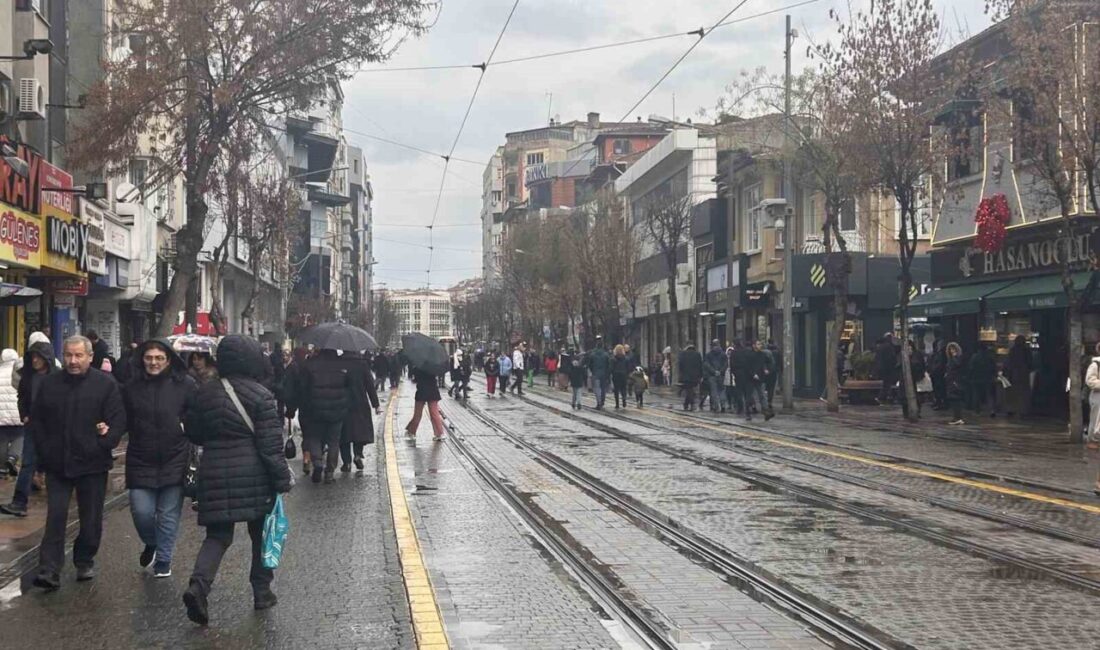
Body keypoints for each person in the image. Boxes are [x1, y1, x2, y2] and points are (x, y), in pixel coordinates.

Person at [182, 335, 293, 625]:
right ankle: (261, 592)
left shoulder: (203, 393)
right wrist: (282, 479)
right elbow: (271, 446)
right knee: (261, 535)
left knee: (217, 536)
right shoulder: (261, 396)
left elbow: (193, 432)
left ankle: (198, 587)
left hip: (214, 471)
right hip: (254, 474)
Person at [29, 335, 127, 590]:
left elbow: (118, 422)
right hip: (58, 464)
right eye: (69, 355)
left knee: (90, 518)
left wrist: (104, 443)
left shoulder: (105, 384)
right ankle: (49, 570)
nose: (73, 361)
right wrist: (44, 453)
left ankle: (84, 559)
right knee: (56, 517)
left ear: (90, 357)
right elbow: (38, 421)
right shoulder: (50, 384)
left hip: (92, 464)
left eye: (79, 355)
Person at [123, 339, 198, 578]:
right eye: (149, 358)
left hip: (175, 457)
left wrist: (188, 428)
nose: (153, 363)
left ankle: (163, 559)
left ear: (168, 360)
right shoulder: (131, 386)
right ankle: (152, 542)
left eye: (159, 358)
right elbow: (121, 417)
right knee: (141, 512)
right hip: (140, 457)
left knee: (168, 513)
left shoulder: (185, 385)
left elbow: (197, 414)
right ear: (142, 359)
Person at [1, 340, 56, 517]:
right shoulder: (28, 376)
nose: (34, 360)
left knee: (54, 463)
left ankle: (58, 499)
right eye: (32, 356)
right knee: (27, 463)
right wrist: (24, 414)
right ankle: (19, 502)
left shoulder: (57, 377)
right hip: (33, 425)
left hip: (53, 427)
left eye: (38, 357)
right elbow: (21, 396)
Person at [295, 348, 354, 484]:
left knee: (314, 437)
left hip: (315, 409)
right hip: (337, 411)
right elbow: (350, 387)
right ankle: (330, 472)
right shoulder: (343, 366)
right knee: (334, 441)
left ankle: (317, 463)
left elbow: (303, 388)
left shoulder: (310, 365)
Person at [338, 351, 382, 473]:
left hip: (342, 402)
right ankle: (358, 454)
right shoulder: (362, 364)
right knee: (359, 431)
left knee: (344, 433)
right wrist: (376, 405)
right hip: (360, 402)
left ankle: (346, 462)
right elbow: (370, 386)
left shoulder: (339, 363)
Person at [733, 341, 773, 421]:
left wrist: (766, 369)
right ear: (754, 345)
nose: (760, 346)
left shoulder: (762, 354)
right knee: (749, 396)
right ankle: (748, 413)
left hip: (760, 378)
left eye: (760, 344)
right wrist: (753, 374)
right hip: (749, 379)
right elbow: (747, 366)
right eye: (758, 344)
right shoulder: (749, 355)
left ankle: (766, 412)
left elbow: (768, 363)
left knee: (762, 395)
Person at [406, 367, 446, 441]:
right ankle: (439, 433)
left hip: (421, 392)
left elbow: (415, 378)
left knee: (417, 414)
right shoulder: (433, 366)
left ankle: (411, 431)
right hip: (432, 392)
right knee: (434, 413)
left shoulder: (418, 366)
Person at [0, 349, 22, 477]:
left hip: (1, 414)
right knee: (20, 436)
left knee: (2, 439)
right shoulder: (19, 372)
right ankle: (12, 458)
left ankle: (2, 468)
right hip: (16, 412)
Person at [1005, 335, 1033, 417]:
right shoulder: (1027, 351)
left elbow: (1008, 362)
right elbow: (1030, 363)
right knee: (1023, 393)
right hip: (1023, 374)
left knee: (1013, 392)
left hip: (1014, 374)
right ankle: (1022, 410)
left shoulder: (1013, 351)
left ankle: (1012, 409)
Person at [968, 344, 997, 416]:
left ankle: (977, 411)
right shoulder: (990, 357)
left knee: (976, 395)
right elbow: (994, 367)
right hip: (988, 378)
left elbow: (971, 368)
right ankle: (992, 410)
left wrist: (970, 377)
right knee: (989, 394)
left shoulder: (974, 357)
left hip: (976, 378)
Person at [901, 341, 926, 420]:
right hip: (904, 380)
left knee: (917, 396)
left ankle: (916, 412)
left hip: (916, 379)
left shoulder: (917, 355)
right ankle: (906, 413)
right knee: (904, 397)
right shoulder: (902, 355)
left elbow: (920, 366)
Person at [677, 343, 704, 411]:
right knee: (690, 390)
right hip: (695, 377)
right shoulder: (697, 354)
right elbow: (700, 366)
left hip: (685, 376)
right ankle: (688, 404)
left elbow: (680, 366)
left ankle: (691, 404)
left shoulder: (683, 354)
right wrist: (700, 375)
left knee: (689, 390)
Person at [945, 342, 967, 425]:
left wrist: (954, 357)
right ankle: (956, 416)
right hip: (951, 380)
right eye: (950, 349)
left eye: (953, 349)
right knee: (953, 399)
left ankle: (958, 417)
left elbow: (958, 365)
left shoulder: (958, 358)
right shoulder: (950, 359)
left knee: (956, 399)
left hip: (956, 381)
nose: (952, 351)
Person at [587, 338, 611, 409]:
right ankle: (602, 401)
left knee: (597, 388)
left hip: (596, 374)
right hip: (604, 374)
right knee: (603, 388)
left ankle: (599, 402)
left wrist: (593, 371)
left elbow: (590, 365)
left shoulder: (592, 354)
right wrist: (607, 373)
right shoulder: (606, 355)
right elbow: (608, 365)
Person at [705, 339, 728, 413]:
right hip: (721, 375)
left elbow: (707, 365)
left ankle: (716, 406)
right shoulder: (723, 354)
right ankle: (723, 405)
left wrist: (713, 371)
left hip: (712, 375)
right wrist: (721, 371)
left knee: (714, 391)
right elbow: (726, 364)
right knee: (722, 390)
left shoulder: (709, 355)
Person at [875, 333, 899, 404]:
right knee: (888, 383)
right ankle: (884, 397)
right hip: (889, 368)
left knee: (886, 383)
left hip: (882, 368)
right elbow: (892, 358)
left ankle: (884, 397)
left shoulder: (880, 347)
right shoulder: (889, 347)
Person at [929, 339, 947, 410]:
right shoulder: (935, 354)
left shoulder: (941, 354)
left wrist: (933, 370)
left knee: (940, 389)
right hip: (935, 374)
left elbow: (939, 365)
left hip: (939, 374)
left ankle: (941, 403)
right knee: (937, 389)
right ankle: (939, 402)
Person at [611, 344, 631, 409]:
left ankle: (617, 404)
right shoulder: (626, 358)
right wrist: (627, 374)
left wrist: (612, 373)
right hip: (624, 375)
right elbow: (628, 368)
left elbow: (611, 368)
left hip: (616, 375)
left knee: (616, 389)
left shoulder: (613, 359)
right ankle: (624, 400)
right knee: (623, 388)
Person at [724, 345, 742, 414]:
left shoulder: (734, 359)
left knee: (734, 391)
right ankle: (729, 403)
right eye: (729, 352)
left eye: (731, 352)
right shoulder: (725, 359)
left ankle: (734, 403)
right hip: (727, 376)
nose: (730, 353)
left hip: (734, 376)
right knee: (728, 390)